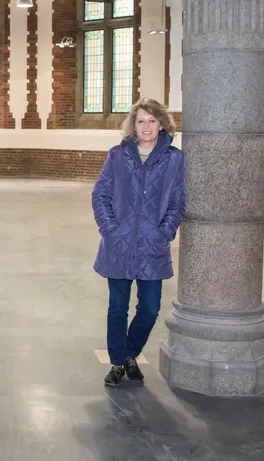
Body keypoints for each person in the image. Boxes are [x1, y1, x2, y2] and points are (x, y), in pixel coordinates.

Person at [91, 98, 186, 387]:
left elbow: (177, 200)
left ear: (162, 124)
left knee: (150, 308)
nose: (146, 126)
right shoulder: (118, 156)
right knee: (117, 308)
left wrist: (164, 232)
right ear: (133, 124)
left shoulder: (174, 159)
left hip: (152, 246)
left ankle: (131, 352)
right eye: (141, 120)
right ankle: (118, 364)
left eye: (152, 120)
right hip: (118, 246)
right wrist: (110, 229)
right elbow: (100, 194)